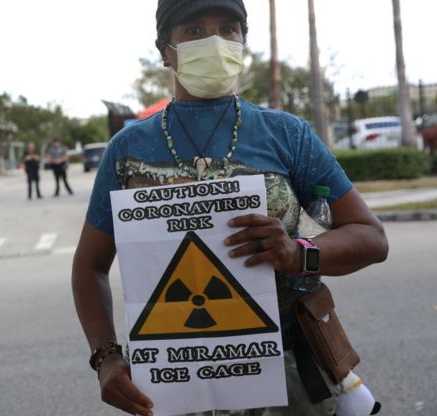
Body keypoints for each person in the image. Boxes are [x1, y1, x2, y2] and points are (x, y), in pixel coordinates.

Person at [72, 1, 389, 415]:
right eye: (195, 31)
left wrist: (298, 253)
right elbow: (89, 266)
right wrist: (106, 357)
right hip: (175, 380)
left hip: (290, 374)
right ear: (164, 50)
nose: (216, 42)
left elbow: (371, 237)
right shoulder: (127, 151)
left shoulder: (287, 134)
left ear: (243, 40)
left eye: (229, 28)